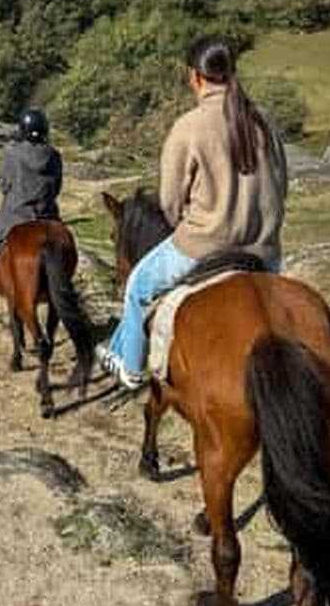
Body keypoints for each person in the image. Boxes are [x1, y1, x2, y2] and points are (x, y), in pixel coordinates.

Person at [97, 35, 288, 389]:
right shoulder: (264, 119)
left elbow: (170, 204)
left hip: (203, 246)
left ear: (194, 76)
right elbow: (281, 184)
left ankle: (132, 368)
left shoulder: (188, 127)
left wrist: (188, 219)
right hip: (265, 250)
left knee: (137, 286)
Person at [0, 107, 63, 299]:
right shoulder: (55, 155)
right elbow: (57, 188)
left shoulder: (12, 154)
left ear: (22, 130)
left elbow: (4, 185)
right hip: (47, 215)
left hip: (16, 216)